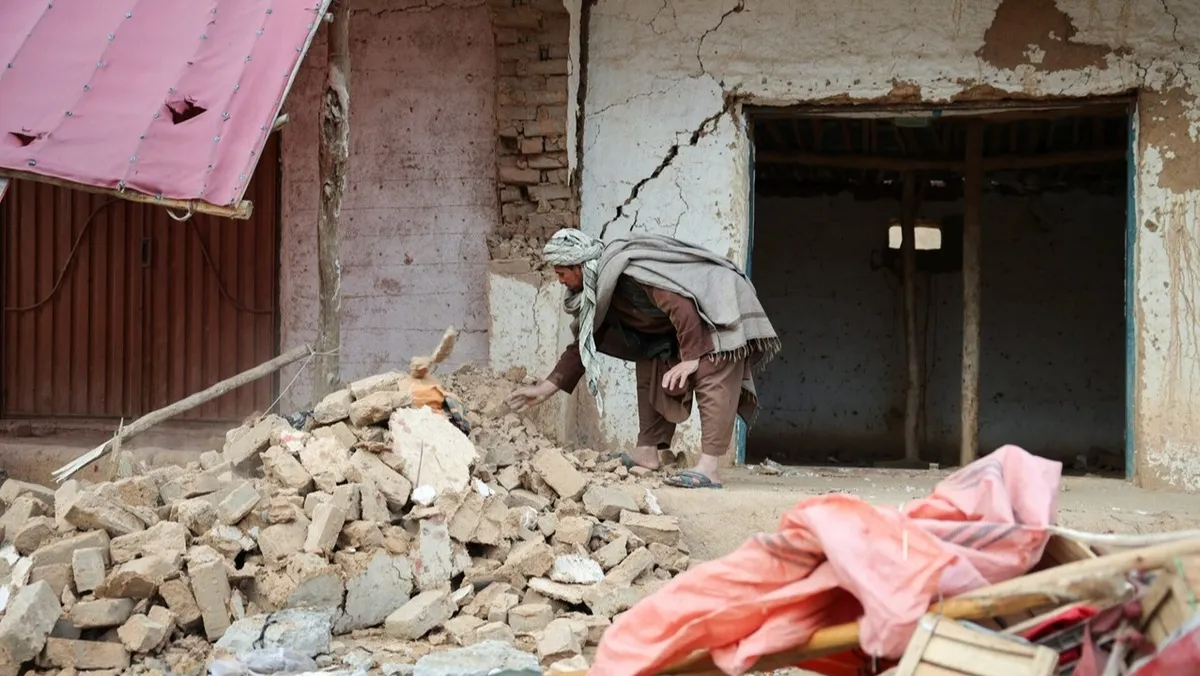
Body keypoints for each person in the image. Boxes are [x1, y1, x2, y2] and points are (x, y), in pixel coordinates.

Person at [506, 228, 780, 489]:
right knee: (652, 360)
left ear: (579, 267)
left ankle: (709, 468)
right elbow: (584, 343)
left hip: (717, 306)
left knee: (711, 368)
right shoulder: (601, 290)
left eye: (562, 273)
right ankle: (647, 451)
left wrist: (692, 358)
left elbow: (681, 304)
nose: (560, 281)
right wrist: (545, 389)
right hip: (682, 324)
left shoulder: (629, 274)